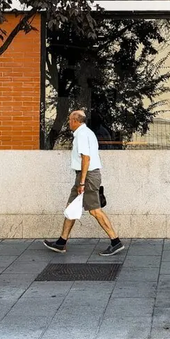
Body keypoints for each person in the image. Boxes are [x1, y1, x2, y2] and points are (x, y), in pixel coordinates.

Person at [43, 109, 125, 256]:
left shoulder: (82, 134)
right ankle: (61, 242)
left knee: (95, 210)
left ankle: (115, 241)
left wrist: (82, 183)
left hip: (87, 176)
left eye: (69, 120)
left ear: (75, 121)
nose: (68, 123)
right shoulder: (86, 133)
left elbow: (86, 158)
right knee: (71, 207)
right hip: (84, 176)